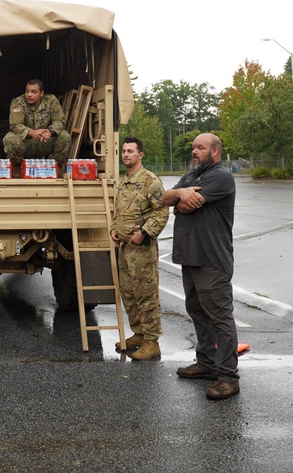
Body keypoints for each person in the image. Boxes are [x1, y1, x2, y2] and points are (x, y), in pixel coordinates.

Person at [162, 133, 240, 400]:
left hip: (211, 260)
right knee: (196, 310)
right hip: (190, 258)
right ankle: (207, 363)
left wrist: (179, 202)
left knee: (220, 316)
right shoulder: (192, 176)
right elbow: (166, 198)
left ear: (215, 152)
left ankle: (228, 377)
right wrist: (179, 195)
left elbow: (182, 206)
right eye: (194, 147)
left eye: (201, 148)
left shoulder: (221, 176)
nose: (194, 151)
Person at [109, 136, 169, 360]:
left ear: (140, 155)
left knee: (146, 295)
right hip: (124, 249)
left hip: (142, 250)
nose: (126, 155)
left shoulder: (150, 181)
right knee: (129, 294)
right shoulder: (124, 182)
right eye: (123, 151)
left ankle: (152, 342)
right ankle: (139, 333)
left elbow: (162, 211)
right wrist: (114, 228)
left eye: (130, 151)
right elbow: (119, 211)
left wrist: (143, 233)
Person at [2, 79, 71, 177]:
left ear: (41, 93)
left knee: (65, 136)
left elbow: (59, 121)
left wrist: (50, 132)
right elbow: (15, 125)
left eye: (33, 92)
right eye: (27, 91)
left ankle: (56, 167)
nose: (29, 95)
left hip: (45, 141)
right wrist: (31, 132)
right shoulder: (18, 102)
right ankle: (17, 168)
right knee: (10, 138)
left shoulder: (51, 100)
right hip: (26, 143)